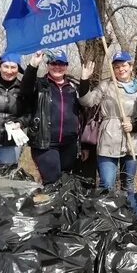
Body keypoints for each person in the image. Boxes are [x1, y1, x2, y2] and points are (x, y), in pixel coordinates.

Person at [78, 51, 137, 206]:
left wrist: (134, 126)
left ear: (131, 67)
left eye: (124, 65)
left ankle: (128, 217)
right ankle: (107, 218)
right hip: (108, 141)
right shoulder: (106, 86)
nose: (120, 69)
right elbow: (86, 102)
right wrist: (84, 80)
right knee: (107, 185)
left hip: (132, 143)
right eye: (116, 66)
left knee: (128, 185)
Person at [21, 49, 81, 184]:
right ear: (48, 65)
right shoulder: (40, 84)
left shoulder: (73, 87)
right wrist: (32, 66)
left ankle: (62, 205)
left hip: (69, 144)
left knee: (65, 181)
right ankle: (50, 204)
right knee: (52, 181)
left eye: (61, 64)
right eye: (53, 63)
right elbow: (25, 89)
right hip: (46, 144)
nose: (57, 67)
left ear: (66, 66)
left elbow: (84, 109)